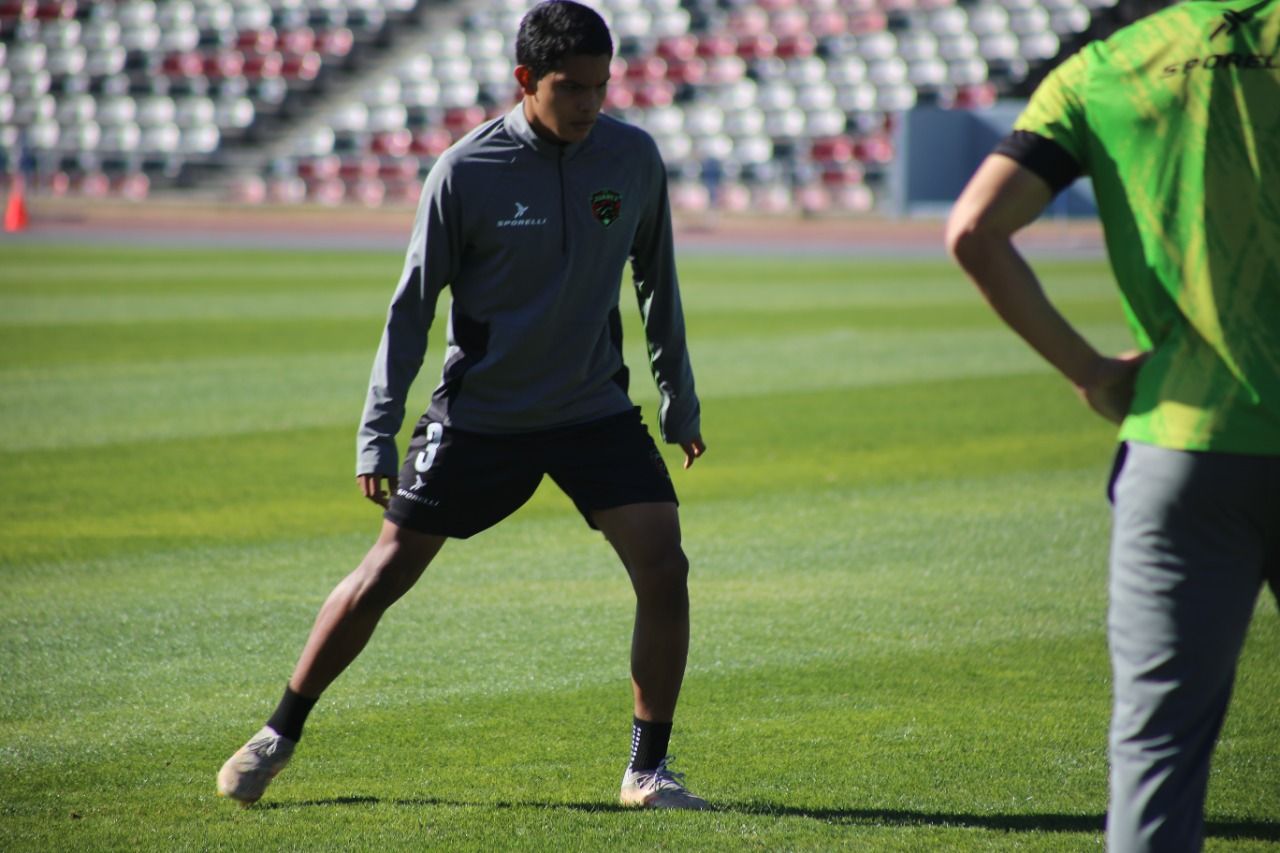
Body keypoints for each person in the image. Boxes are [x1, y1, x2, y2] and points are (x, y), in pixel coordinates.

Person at [218, 0, 710, 811]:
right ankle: (280, 730)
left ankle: (646, 769)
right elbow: (410, 308)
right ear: (525, 81)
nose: (590, 103)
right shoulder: (466, 170)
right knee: (385, 574)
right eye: (571, 87)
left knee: (665, 565)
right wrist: (376, 434)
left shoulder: (632, 158)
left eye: (602, 86)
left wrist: (679, 402)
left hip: (592, 409)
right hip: (483, 417)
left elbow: (658, 281)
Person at [945, 1, 1278, 849]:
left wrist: (1090, 372)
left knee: (1156, 757)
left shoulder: (1104, 68)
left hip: (1181, 444)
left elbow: (975, 229)